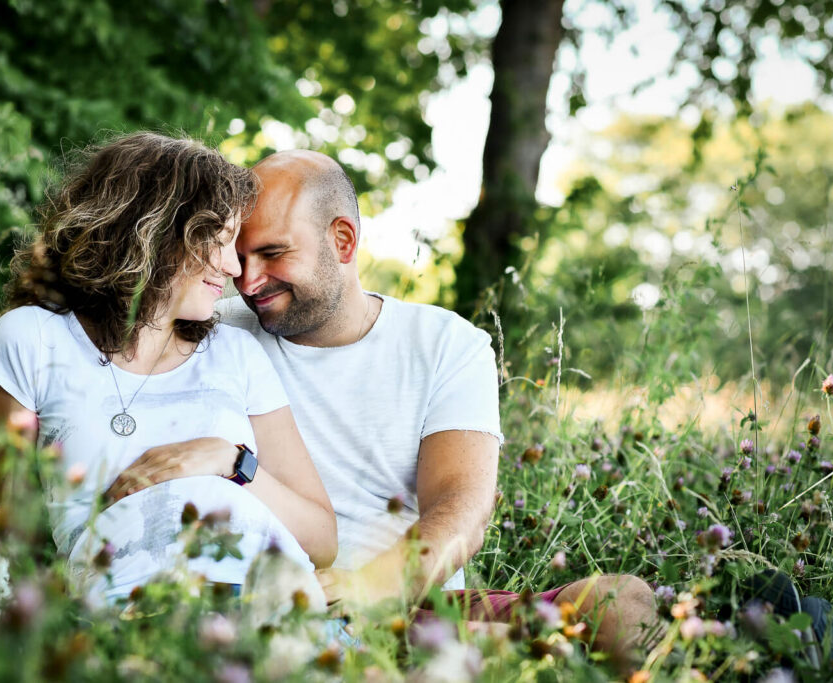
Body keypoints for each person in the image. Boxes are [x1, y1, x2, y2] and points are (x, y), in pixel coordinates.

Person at [212, 149, 660, 670]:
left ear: (342, 241)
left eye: (272, 254)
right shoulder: (216, 331)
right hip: (267, 600)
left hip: (414, 602)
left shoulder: (446, 344)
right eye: (241, 259)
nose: (247, 281)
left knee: (620, 607)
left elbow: (461, 507)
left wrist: (367, 591)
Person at [0, 133, 336, 603]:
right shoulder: (31, 340)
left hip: (267, 600)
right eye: (220, 242)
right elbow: (23, 541)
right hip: (129, 613)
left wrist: (227, 460)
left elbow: (322, 541)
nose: (233, 268)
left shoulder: (238, 354)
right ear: (155, 232)